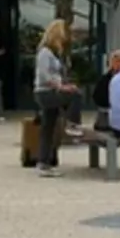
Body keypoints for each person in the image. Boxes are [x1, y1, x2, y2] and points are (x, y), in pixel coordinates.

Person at [33, 19, 85, 177]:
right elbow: (45, 75)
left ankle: (44, 162)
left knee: (48, 127)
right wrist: (61, 87)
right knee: (75, 95)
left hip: (50, 90)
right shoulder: (44, 53)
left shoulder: (54, 54)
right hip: (46, 91)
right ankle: (73, 123)